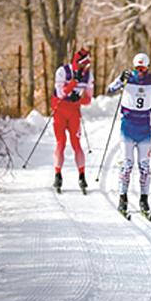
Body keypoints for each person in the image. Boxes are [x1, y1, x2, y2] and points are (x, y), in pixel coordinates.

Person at [106, 52, 151, 220]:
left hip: (144, 127)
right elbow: (110, 90)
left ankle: (144, 200)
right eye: (137, 67)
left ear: (148, 67)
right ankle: (123, 198)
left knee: (145, 166)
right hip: (128, 127)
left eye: (143, 67)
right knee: (127, 165)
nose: (140, 71)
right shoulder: (128, 78)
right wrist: (120, 79)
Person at [51, 48, 94, 193]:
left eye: (87, 65)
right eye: (83, 65)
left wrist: (80, 99)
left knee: (76, 144)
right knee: (61, 143)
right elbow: (60, 93)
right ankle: (58, 174)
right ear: (77, 63)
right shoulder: (62, 72)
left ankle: (82, 175)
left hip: (74, 112)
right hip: (60, 111)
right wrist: (73, 82)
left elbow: (89, 99)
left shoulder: (88, 76)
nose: (85, 68)